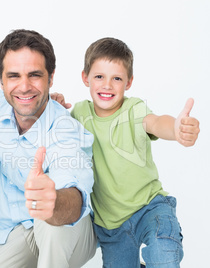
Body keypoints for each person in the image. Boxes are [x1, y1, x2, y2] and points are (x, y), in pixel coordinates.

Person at [0, 29, 97, 268]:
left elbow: (75, 196)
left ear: (51, 78)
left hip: (69, 231)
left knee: (48, 221)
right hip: (13, 231)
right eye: (14, 76)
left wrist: (54, 200)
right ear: (1, 80)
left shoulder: (65, 130)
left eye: (35, 75)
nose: (24, 86)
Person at [70, 37, 200, 267]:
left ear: (128, 82)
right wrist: (54, 103)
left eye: (117, 78)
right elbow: (55, 128)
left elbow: (156, 122)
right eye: (99, 76)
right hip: (111, 225)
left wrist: (176, 128)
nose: (107, 85)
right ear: (85, 77)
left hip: (150, 208)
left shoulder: (134, 109)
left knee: (164, 255)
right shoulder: (80, 113)